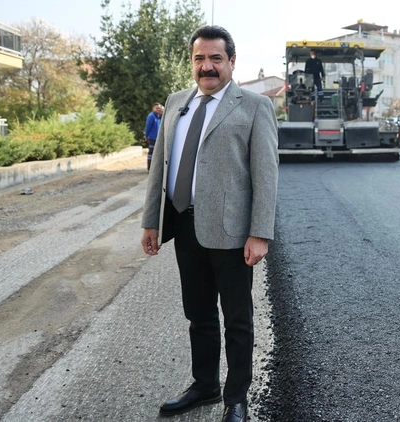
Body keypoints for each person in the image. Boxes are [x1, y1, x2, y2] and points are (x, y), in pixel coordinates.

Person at [140, 25, 278, 422]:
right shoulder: (177, 103)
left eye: (216, 58)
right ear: (192, 62)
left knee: (237, 320)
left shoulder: (253, 106)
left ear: (232, 62)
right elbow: (161, 169)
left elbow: (266, 176)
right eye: (200, 58)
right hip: (185, 227)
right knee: (198, 314)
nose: (207, 66)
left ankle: (236, 398)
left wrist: (260, 233)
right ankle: (204, 386)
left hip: (233, 234)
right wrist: (152, 221)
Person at [144, 102, 163, 170]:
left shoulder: (159, 116)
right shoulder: (151, 116)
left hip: (158, 138)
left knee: (157, 154)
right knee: (151, 154)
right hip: (152, 138)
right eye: (156, 108)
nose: (158, 109)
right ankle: (149, 168)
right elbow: (148, 127)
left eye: (159, 108)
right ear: (153, 108)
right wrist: (146, 135)